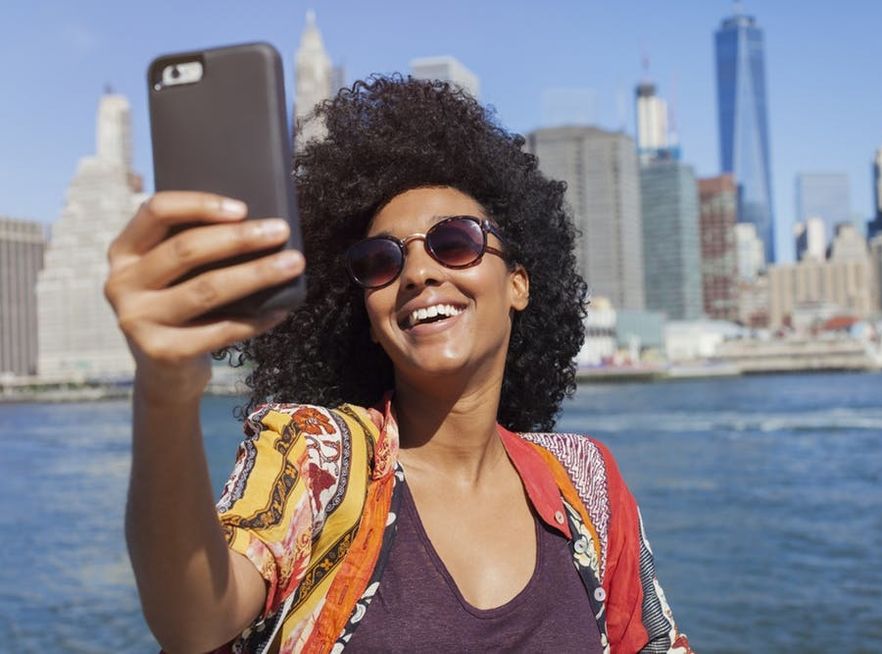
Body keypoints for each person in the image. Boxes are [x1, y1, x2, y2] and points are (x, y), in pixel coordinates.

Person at [105, 76, 693, 653]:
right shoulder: (316, 458)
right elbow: (196, 620)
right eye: (381, 260)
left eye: (454, 242)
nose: (417, 274)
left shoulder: (587, 482)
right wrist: (166, 385)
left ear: (518, 284)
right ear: (366, 312)